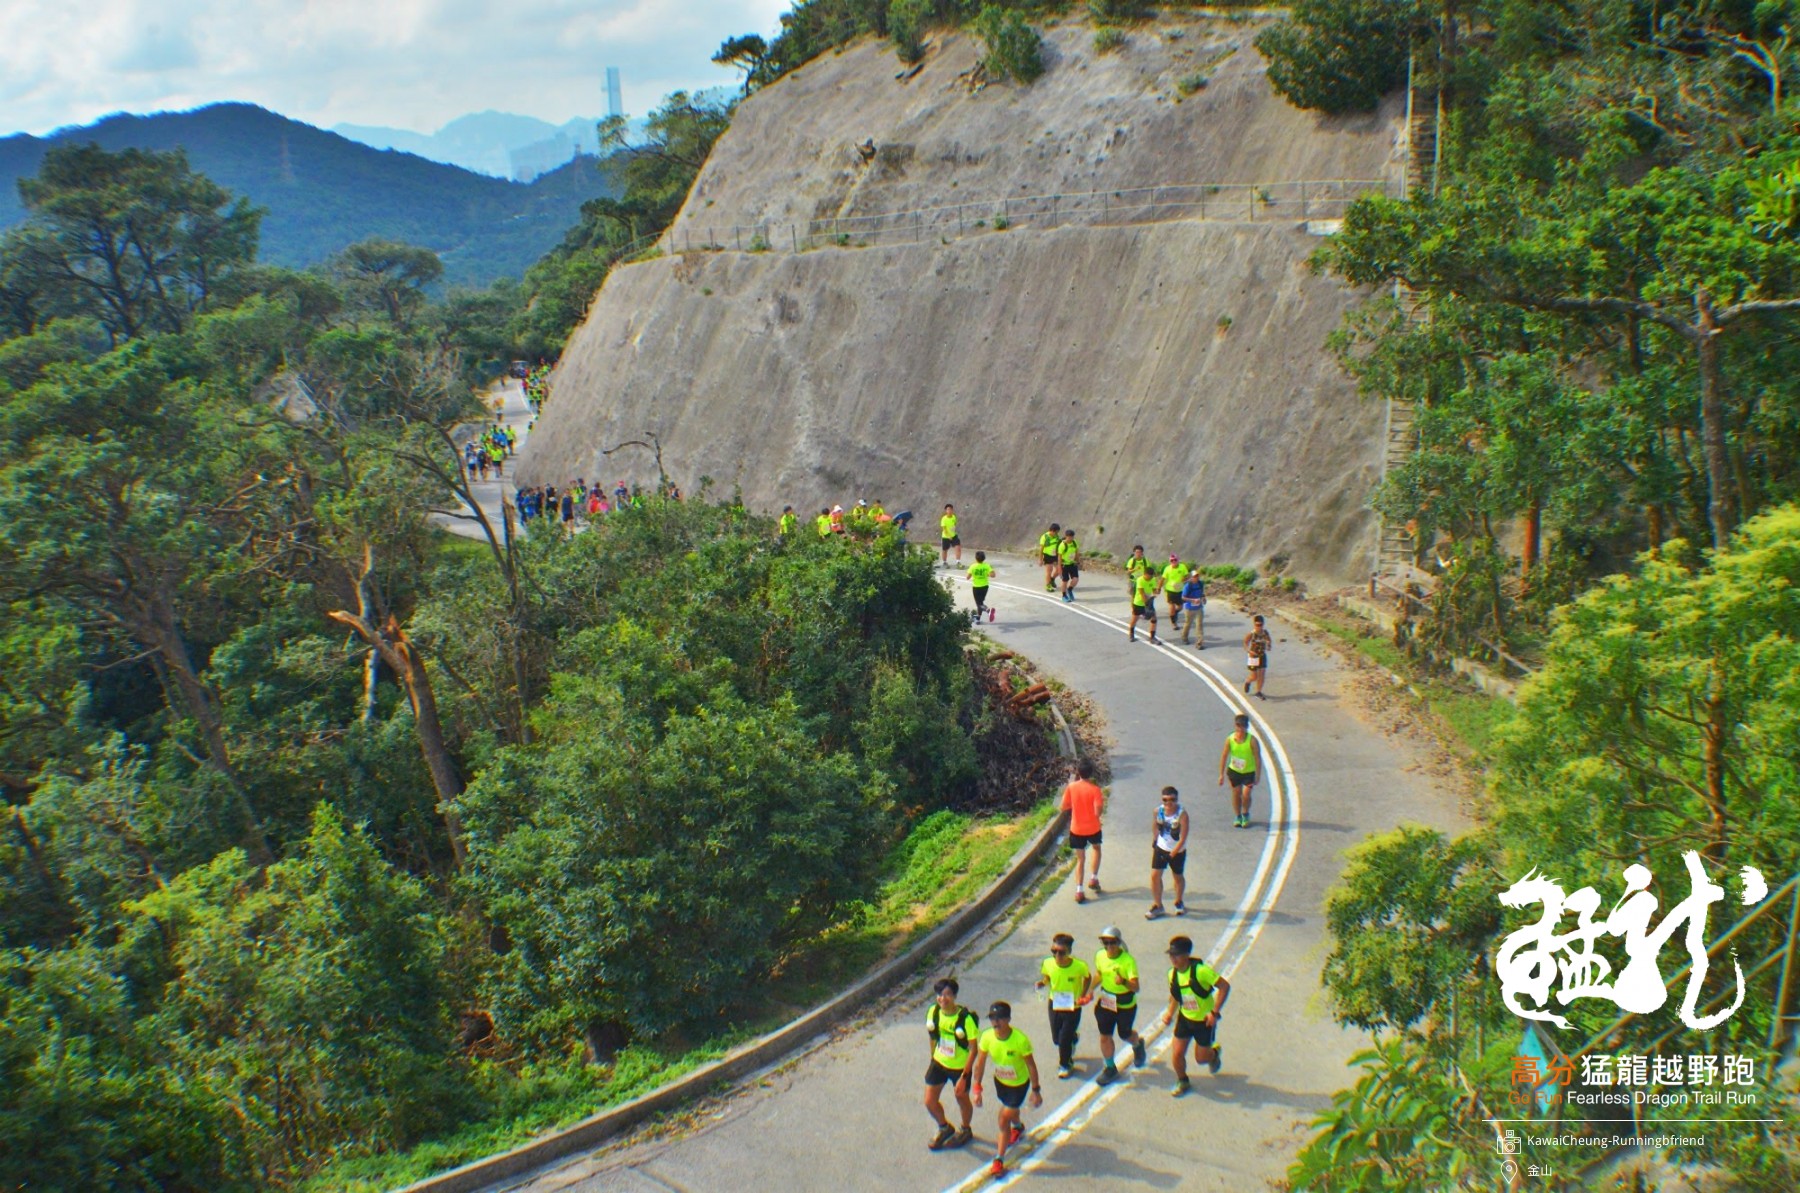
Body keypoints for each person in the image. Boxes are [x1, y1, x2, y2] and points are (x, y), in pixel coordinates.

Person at [971, 1001, 1042, 1178]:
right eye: (992, 1018)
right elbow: (980, 1063)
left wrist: (1035, 1090)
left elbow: (1031, 1065)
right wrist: (977, 1088)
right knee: (1010, 1110)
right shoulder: (987, 1037)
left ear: (1008, 1019)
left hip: (1018, 1085)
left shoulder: (1020, 1040)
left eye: (1000, 1018)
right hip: (1001, 1082)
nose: (995, 1022)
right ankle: (1018, 1127)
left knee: (1003, 1119)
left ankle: (999, 1160)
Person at [1159, 935, 1229, 1097]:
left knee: (1201, 1059)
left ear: (1186, 955)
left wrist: (1214, 1012)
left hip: (1204, 1022)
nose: (1173, 959)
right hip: (1185, 1019)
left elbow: (1224, 986)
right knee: (1177, 1054)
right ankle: (1182, 1080)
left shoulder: (1201, 971)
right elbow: (1176, 995)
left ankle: (1214, 1054)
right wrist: (1170, 1012)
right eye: (1171, 955)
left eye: (1176, 955)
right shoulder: (1172, 974)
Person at [923, 978, 977, 1151]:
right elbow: (933, 1036)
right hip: (939, 1062)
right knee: (929, 1101)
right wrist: (933, 1058)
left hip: (959, 1067)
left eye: (947, 994)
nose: (943, 998)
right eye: (939, 994)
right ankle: (944, 1127)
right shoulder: (933, 1012)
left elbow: (973, 1049)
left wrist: (964, 1076)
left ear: (954, 996)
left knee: (961, 1098)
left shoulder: (965, 1019)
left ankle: (965, 1129)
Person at [1092, 927, 1148, 1085]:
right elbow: (1099, 974)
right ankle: (1110, 1068)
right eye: (1106, 942)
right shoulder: (1100, 955)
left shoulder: (1128, 961)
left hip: (1125, 1005)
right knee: (1105, 1036)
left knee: (1125, 1034)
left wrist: (1123, 981)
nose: (1109, 946)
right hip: (1107, 1001)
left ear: (1119, 942)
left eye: (1113, 942)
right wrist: (1088, 990)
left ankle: (1137, 1044)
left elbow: (1136, 987)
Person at [1035, 933, 1092, 1079]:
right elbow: (1048, 976)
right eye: (1054, 951)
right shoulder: (1048, 963)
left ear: (1069, 952)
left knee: (1063, 1040)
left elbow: (1087, 978)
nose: (1057, 955)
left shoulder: (1079, 966)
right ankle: (1073, 1038)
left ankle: (1065, 1064)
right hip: (1055, 1003)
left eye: (1061, 952)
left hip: (1072, 1006)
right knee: (1056, 1039)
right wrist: (1043, 982)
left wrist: (1083, 994)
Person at [1061, 758, 1104, 902]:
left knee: (1080, 859)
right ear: (1091, 773)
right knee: (1096, 849)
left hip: (1077, 828)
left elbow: (1064, 806)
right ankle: (1093, 878)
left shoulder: (1071, 787)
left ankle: (1079, 890)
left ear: (1078, 772)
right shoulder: (1095, 790)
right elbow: (1098, 811)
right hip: (1093, 827)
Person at [1145, 786, 1190, 919]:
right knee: (1155, 876)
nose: (1168, 803)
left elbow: (1183, 838)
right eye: (1165, 800)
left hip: (1177, 851)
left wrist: (1172, 854)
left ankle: (1178, 901)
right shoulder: (1158, 811)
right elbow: (1155, 825)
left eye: (1172, 800)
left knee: (1178, 877)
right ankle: (1158, 905)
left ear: (1177, 799)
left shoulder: (1182, 815)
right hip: (1161, 848)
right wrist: (1155, 839)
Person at [1218, 713, 1264, 829]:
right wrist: (1221, 774)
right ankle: (1238, 816)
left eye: (1243, 726)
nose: (1240, 728)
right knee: (1236, 793)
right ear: (1235, 725)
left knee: (1246, 794)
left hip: (1248, 772)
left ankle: (1245, 813)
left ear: (1247, 727)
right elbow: (1224, 756)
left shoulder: (1252, 740)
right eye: (1238, 725)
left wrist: (1258, 775)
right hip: (1234, 771)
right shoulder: (1230, 739)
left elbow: (1257, 758)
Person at [1128, 561, 1162, 645]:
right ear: (1145, 574)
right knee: (1135, 619)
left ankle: (1152, 637)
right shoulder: (1140, 580)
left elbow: (1153, 590)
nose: (1150, 578)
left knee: (1154, 619)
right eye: (1149, 576)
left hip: (1149, 602)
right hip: (1139, 603)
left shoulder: (1153, 579)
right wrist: (1147, 605)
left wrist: (1157, 591)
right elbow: (1142, 594)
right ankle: (1131, 633)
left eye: (1152, 576)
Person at [1244, 614, 1272, 700]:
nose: (1259, 627)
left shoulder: (1265, 633)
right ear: (1254, 624)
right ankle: (1248, 681)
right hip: (1253, 657)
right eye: (1257, 625)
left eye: (1260, 625)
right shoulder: (1251, 634)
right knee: (1254, 676)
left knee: (1262, 675)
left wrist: (1268, 645)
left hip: (1262, 655)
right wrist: (1249, 651)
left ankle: (1258, 692)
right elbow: (1245, 643)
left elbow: (1269, 640)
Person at [1180, 569, 1207, 647]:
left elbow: (1201, 593)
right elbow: (1183, 597)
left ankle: (1199, 643)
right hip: (1189, 608)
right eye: (1195, 576)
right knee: (1188, 623)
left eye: (1197, 576)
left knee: (1199, 624)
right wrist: (1193, 600)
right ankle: (1184, 637)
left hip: (1199, 607)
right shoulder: (1188, 586)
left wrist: (1203, 598)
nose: (1196, 577)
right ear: (1191, 577)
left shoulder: (1200, 584)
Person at [968, 551, 994, 623]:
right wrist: (987, 574)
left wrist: (973, 574)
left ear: (976, 558)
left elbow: (967, 577)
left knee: (979, 604)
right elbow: (993, 575)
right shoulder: (987, 566)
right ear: (984, 558)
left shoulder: (973, 566)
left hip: (976, 587)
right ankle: (978, 619)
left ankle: (988, 610)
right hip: (985, 587)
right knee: (980, 603)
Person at [1162, 555, 1188, 630]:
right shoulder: (1167, 569)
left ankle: (1175, 613)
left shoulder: (1182, 567)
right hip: (1170, 590)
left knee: (1180, 607)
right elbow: (1162, 579)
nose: (1173, 561)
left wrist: (1183, 580)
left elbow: (1187, 575)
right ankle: (1174, 623)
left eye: (1175, 560)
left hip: (1180, 590)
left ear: (1178, 560)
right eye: (1172, 560)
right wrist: (1158, 588)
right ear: (1170, 561)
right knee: (1171, 606)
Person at [1058, 529, 1081, 602]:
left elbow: (1077, 553)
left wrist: (1078, 562)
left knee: (1075, 579)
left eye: (1072, 537)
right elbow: (1059, 558)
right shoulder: (1062, 545)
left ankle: (1070, 589)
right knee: (1065, 581)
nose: (1071, 538)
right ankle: (1064, 595)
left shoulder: (1074, 543)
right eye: (1069, 537)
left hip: (1072, 564)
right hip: (1064, 565)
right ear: (1066, 536)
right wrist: (1059, 569)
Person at [1039, 523, 1062, 592]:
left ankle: (1052, 579)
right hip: (1047, 555)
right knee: (1049, 570)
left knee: (1059, 569)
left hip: (1055, 555)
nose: (1057, 533)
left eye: (1057, 532)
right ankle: (1048, 585)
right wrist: (1040, 560)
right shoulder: (1045, 537)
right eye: (1056, 532)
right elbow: (1041, 549)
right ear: (1052, 530)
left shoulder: (1056, 536)